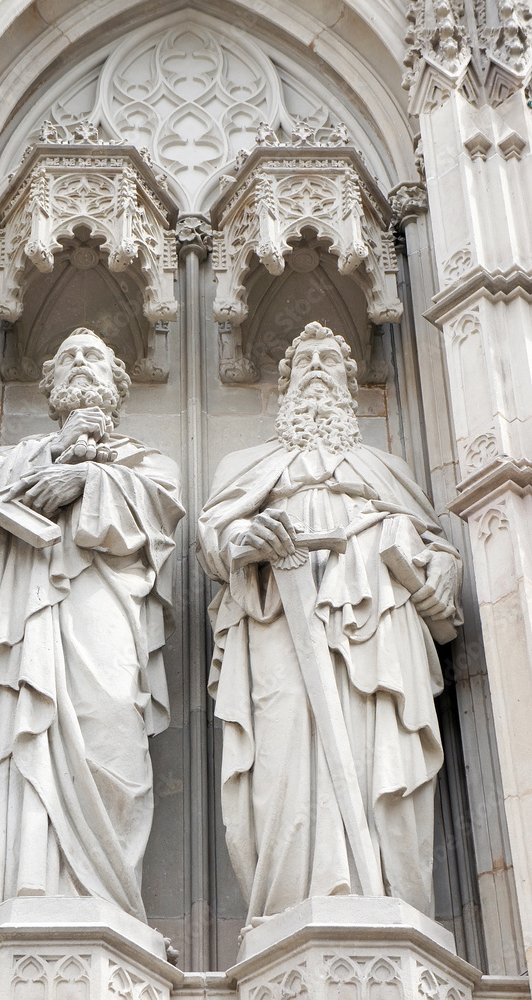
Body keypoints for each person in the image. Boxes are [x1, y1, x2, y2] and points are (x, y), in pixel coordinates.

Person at [197, 322, 462, 923]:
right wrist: (247, 537)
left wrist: (442, 571)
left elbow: (437, 545)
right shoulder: (249, 464)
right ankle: (295, 907)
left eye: (330, 360)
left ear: (349, 384)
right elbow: (213, 538)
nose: (317, 366)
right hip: (277, 622)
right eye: (305, 359)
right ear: (286, 384)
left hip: (380, 629)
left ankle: (391, 902)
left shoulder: (384, 466)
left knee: (380, 755)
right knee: (285, 755)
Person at [0, 328, 184, 926]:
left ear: (117, 382)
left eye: (95, 356)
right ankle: (16, 889)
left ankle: (107, 904)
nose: (81, 364)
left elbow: (163, 516)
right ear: (50, 385)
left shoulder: (147, 462)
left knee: (110, 731)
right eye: (70, 357)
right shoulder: (10, 458)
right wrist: (53, 457)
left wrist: (89, 480)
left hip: (101, 609)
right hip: (22, 617)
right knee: (19, 729)